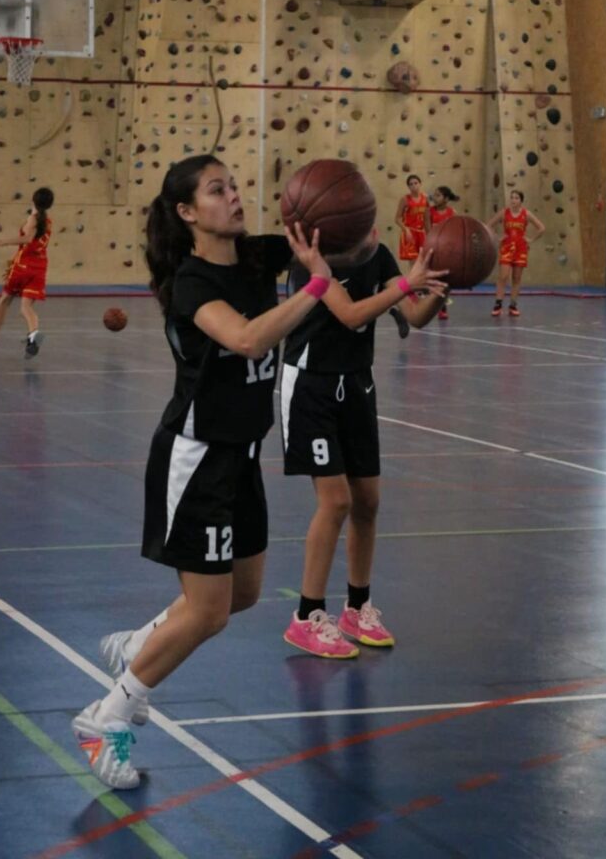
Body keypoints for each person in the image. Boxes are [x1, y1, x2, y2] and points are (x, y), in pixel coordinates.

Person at [72, 154, 334, 790]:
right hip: (197, 460)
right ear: (188, 212)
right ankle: (107, 717)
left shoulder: (258, 256)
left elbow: (333, 238)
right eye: (218, 190)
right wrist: (314, 288)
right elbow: (246, 339)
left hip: (242, 456)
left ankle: (139, 643)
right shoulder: (191, 283)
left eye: (235, 185)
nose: (235, 196)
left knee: (243, 593)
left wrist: (377, 248)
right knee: (210, 612)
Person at [280, 229, 449, 658]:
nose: (370, 228)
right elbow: (350, 315)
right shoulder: (311, 259)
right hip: (311, 386)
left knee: (368, 501)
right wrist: (407, 284)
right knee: (336, 501)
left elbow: (415, 316)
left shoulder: (378, 254)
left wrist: (440, 290)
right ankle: (306, 616)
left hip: (356, 383)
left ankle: (357, 608)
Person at [0, 186, 54, 358]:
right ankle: (33, 334)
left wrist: (3, 242)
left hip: (23, 266)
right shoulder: (48, 221)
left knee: (4, 301)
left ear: (33, 199)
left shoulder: (34, 219)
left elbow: (27, 238)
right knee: (26, 307)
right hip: (40, 267)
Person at [487, 189, 545, 317]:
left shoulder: (526, 214)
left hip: (520, 249)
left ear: (521, 201)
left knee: (517, 278)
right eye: (512, 197)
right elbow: (489, 225)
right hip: (507, 248)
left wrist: (531, 239)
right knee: (503, 276)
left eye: (516, 198)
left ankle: (513, 305)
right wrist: (498, 237)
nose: (513, 200)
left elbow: (541, 228)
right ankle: (498, 304)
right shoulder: (504, 212)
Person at [390, 175, 430, 338]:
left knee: (422, 264)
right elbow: (397, 218)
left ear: (420, 184)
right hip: (409, 233)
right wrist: (405, 229)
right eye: (411, 184)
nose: (414, 186)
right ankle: (411, 292)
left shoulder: (425, 199)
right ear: (408, 187)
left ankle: (416, 291)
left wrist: (430, 236)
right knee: (413, 265)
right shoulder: (405, 200)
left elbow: (427, 220)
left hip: (421, 233)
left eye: (416, 183)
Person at [429, 186, 459, 321]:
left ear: (446, 199)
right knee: (434, 279)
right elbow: (428, 231)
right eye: (434, 195)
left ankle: (443, 307)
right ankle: (432, 305)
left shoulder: (452, 213)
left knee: (445, 279)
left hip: (447, 249)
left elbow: (455, 233)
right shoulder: (429, 212)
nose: (435, 198)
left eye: (438, 195)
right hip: (433, 248)